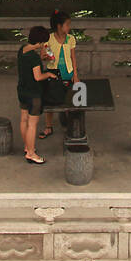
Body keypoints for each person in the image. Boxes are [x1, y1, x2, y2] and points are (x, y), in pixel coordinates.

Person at [17, 26, 57, 164]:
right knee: (32, 124)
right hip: (33, 93)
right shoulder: (33, 58)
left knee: (23, 119)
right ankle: (32, 154)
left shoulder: (22, 49)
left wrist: (41, 55)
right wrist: (49, 74)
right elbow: (38, 77)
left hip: (22, 90)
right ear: (39, 42)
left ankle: (27, 147)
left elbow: (31, 67)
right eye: (43, 43)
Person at [41, 10, 79, 139]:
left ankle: (69, 125)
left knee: (70, 100)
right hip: (53, 73)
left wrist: (76, 75)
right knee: (50, 101)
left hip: (68, 72)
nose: (69, 27)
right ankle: (48, 127)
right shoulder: (49, 39)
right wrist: (46, 57)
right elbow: (45, 56)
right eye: (67, 24)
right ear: (59, 26)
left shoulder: (71, 39)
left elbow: (73, 57)